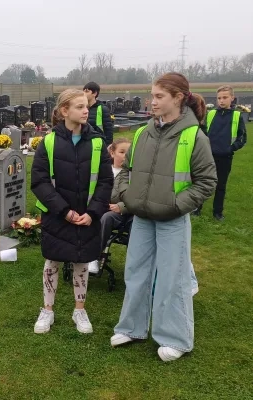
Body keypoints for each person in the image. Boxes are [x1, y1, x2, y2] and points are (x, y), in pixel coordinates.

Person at [111, 72, 217, 362]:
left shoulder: (194, 136)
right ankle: (132, 328)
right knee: (135, 272)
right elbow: (127, 169)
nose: (152, 101)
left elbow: (207, 182)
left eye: (159, 96)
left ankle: (176, 338)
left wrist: (175, 205)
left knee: (173, 278)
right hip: (142, 217)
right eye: (152, 95)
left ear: (178, 98)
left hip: (172, 219)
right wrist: (125, 196)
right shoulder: (144, 132)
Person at [31, 89, 113, 335]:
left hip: (86, 216)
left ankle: (79, 310)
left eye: (86, 105)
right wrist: (63, 211)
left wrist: (94, 212)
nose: (86, 110)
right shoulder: (49, 141)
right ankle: (47, 310)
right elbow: (39, 181)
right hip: (58, 216)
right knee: (52, 261)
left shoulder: (97, 142)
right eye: (79, 106)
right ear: (65, 111)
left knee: (81, 263)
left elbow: (106, 182)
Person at [192, 85, 247, 220]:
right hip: (208, 156)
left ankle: (217, 212)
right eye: (219, 98)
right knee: (202, 182)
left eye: (225, 97)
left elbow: (242, 137)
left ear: (232, 98)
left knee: (220, 185)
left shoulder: (237, 116)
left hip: (225, 157)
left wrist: (231, 148)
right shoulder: (210, 114)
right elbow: (203, 133)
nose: (221, 101)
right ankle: (197, 208)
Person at [87, 138, 132, 274]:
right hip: (103, 209)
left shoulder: (133, 173)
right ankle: (87, 255)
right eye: (122, 152)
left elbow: (138, 195)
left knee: (110, 218)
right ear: (112, 153)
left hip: (125, 212)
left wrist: (122, 206)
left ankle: (94, 257)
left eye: (128, 152)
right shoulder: (105, 171)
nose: (125, 155)